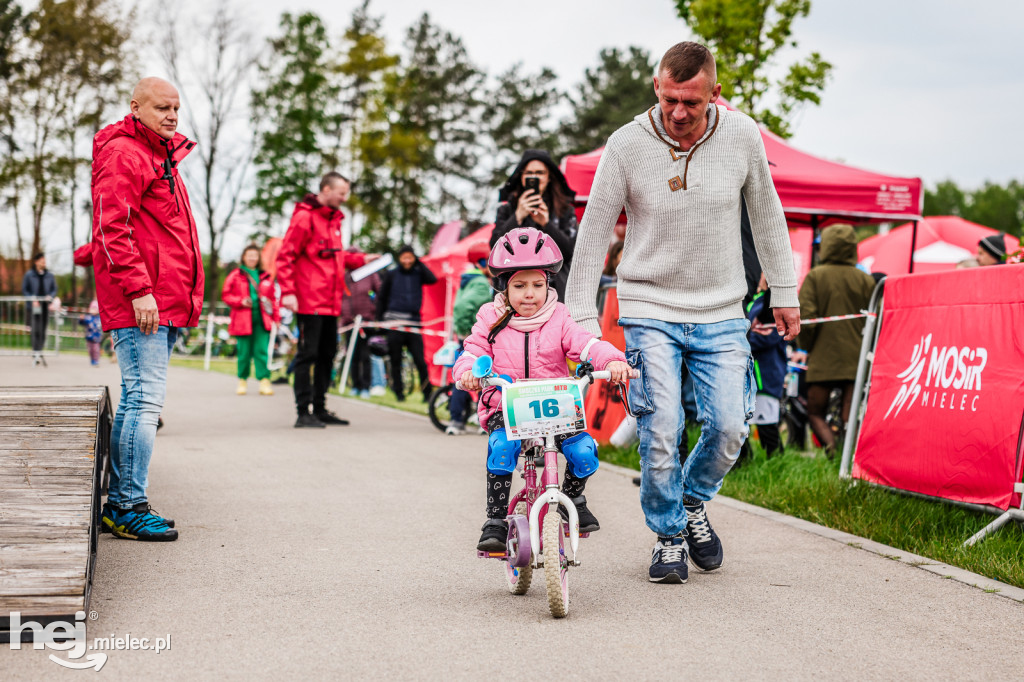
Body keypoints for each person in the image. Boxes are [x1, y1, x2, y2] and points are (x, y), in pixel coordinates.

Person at [565, 42, 800, 584]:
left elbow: (768, 215)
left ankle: (692, 504)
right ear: (656, 88)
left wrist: (784, 290)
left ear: (714, 94)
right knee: (662, 425)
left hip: (722, 305)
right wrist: (579, 314)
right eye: (669, 99)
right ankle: (669, 534)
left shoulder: (742, 135)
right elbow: (596, 228)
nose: (678, 112)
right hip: (649, 303)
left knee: (728, 426)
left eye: (691, 102)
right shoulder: (625, 144)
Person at [453, 228, 634, 551]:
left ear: (548, 284)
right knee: (501, 449)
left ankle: (573, 499)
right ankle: (495, 520)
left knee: (584, 452)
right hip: (506, 406)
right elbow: (473, 350)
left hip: (556, 406)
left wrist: (612, 360)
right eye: (519, 286)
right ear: (503, 286)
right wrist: (468, 371)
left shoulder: (559, 317)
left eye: (537, 285)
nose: (529, 294)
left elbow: (586, 344)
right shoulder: (490, 318)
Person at [92, 77, 205, 542]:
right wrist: (139, 290)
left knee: (141, 399)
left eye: (176, 108)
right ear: (136, 107)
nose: (172, 116)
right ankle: (125, 507)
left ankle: (127, 500)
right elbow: (109, 226)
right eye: (162, 108)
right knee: (142, 400)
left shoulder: (160, 155)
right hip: (143, 301)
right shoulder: (125, 153)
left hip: (164, 299)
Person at [276, 172, 372, 428]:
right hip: (308, 301)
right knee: (308, 355)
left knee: (328, 354)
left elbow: (336, 258)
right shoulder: (305, 217)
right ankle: (302, 411)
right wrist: (288, 292)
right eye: (341, 193)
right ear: (326, 189)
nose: (344, 198)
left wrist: (362, 260)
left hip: (331, 302)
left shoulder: (333, 221)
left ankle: (319, 407)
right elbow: (286, 256)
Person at [793, 224, 876, 455]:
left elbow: (807, 317)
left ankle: (832, 453)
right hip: (856, 358)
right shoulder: (865, 279)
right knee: (849, 417)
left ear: (826, 246)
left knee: (815, 412)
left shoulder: (816, 276)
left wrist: (806, 347)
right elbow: (875, 320)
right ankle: (846, 462)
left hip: (823, 358)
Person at [490, 150, 578, 299]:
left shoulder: (565, 211)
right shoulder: (507, 209)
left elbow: (570, 252)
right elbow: (494, 247)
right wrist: (517, 217)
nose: (534, 177)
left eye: (540, 173)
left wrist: (546, 224)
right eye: (529, 173)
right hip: (513, 290)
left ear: (549, 176)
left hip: (553, 291)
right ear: (522, 177)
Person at [376, 245, 437, 402]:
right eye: (404, 257)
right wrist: (380, 322)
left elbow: (432, 279)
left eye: (410, 257)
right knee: (395, 360)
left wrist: (419, 263)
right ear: (400, 258)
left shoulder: (418, 274)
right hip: (394, 324)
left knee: (420, 361)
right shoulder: (391, 275)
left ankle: (427, 394)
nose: (407, 261)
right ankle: (399, 393)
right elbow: (381, 298)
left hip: (414, 323)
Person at [446, 242, 493, 435]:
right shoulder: (481, 283)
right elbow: (462, 307)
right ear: (482, 261)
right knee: (477, 377)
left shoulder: (469, 280)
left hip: (469, 337)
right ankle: (463, 420)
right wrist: (467, 330)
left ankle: (458, 419)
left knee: (464, 377)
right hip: (476, 338)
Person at [738, 274, 786, 463]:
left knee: (767, 427)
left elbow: (767, 335)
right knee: (739, 425)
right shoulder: (753, 299)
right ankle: (742, 463)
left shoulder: (774, 301)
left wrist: (740, 341)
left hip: (765, 376)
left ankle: (777, 466)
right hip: (746, 375)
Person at [222, 244, 279, 396]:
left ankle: (264, 380)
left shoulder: (265, 276)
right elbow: (226, 295)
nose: (252, 258)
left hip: (262, 319)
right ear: (244, 257)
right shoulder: (235, 275)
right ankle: (242, 380)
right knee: (244, 352)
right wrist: (240, 300)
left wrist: (276, 319)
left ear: (259, 257)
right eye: (249, 255)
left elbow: (273, 299)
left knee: (261, 351)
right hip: (242, 319)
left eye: (255, 255)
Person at [340, 247, 382, 398]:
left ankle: (366, 386)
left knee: (366, 355)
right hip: (349, 323)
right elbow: (341, 297)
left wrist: (373, 310)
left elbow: (380, 292)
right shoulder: (344, 276)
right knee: (352, 355)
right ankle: (355, 385)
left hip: (366, 322)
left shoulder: (370, 274)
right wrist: (344, 317)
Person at [22, 252, 57, 363]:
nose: (44, 263)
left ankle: (40, 351)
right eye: (42, 261)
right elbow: (25, 289)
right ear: (36, 262)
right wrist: (32, 299)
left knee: (43, 329)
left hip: (45, 306)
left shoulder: (49, 275)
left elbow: (54, 289)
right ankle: (35, 351)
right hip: (35, 306)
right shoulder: (29, 275)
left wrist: (50, 297)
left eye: (45, 261)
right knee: (35, 329)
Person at [78, 299, 103, 366]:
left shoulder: (99, 319)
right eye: (92, 308)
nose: (93, 310)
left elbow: (102, 326)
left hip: (97, 337)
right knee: (90, 350)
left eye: (95, 309)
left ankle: (96, 360)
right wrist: (81, 319)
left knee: (96, 349)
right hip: (89, 337)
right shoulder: (88, 318)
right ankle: (92, 359)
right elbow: (82, 323)